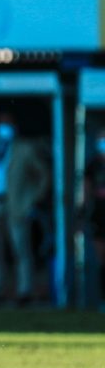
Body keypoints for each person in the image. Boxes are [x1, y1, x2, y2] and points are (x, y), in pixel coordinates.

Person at [0, 112, 49, 304]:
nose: (3, 128)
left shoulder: (25, 148)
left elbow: (43, 176)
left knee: (20, 249)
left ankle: (25, 290)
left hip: (16, 204)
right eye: (0, 124)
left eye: (7, 124)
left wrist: (31, 200)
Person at [84, 129, 105, 304]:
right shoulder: (93, 165)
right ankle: (102, 300)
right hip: (99, 216)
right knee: (101, 261)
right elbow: (86, 190)